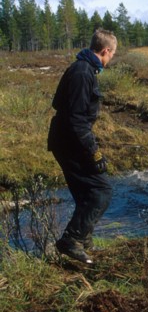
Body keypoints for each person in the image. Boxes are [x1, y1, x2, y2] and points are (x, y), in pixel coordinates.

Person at [48, 28, 117, 264]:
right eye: (112, 55)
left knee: (86, 193)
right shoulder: (82, 72)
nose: (111, 60)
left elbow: (58, 102)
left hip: (65, 140)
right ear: (106, 50)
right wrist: (94, 152)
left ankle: (84, 240)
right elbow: (77, 120)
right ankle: (72, 239)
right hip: (70, 142)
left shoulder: (83, 69)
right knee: (102, 191)